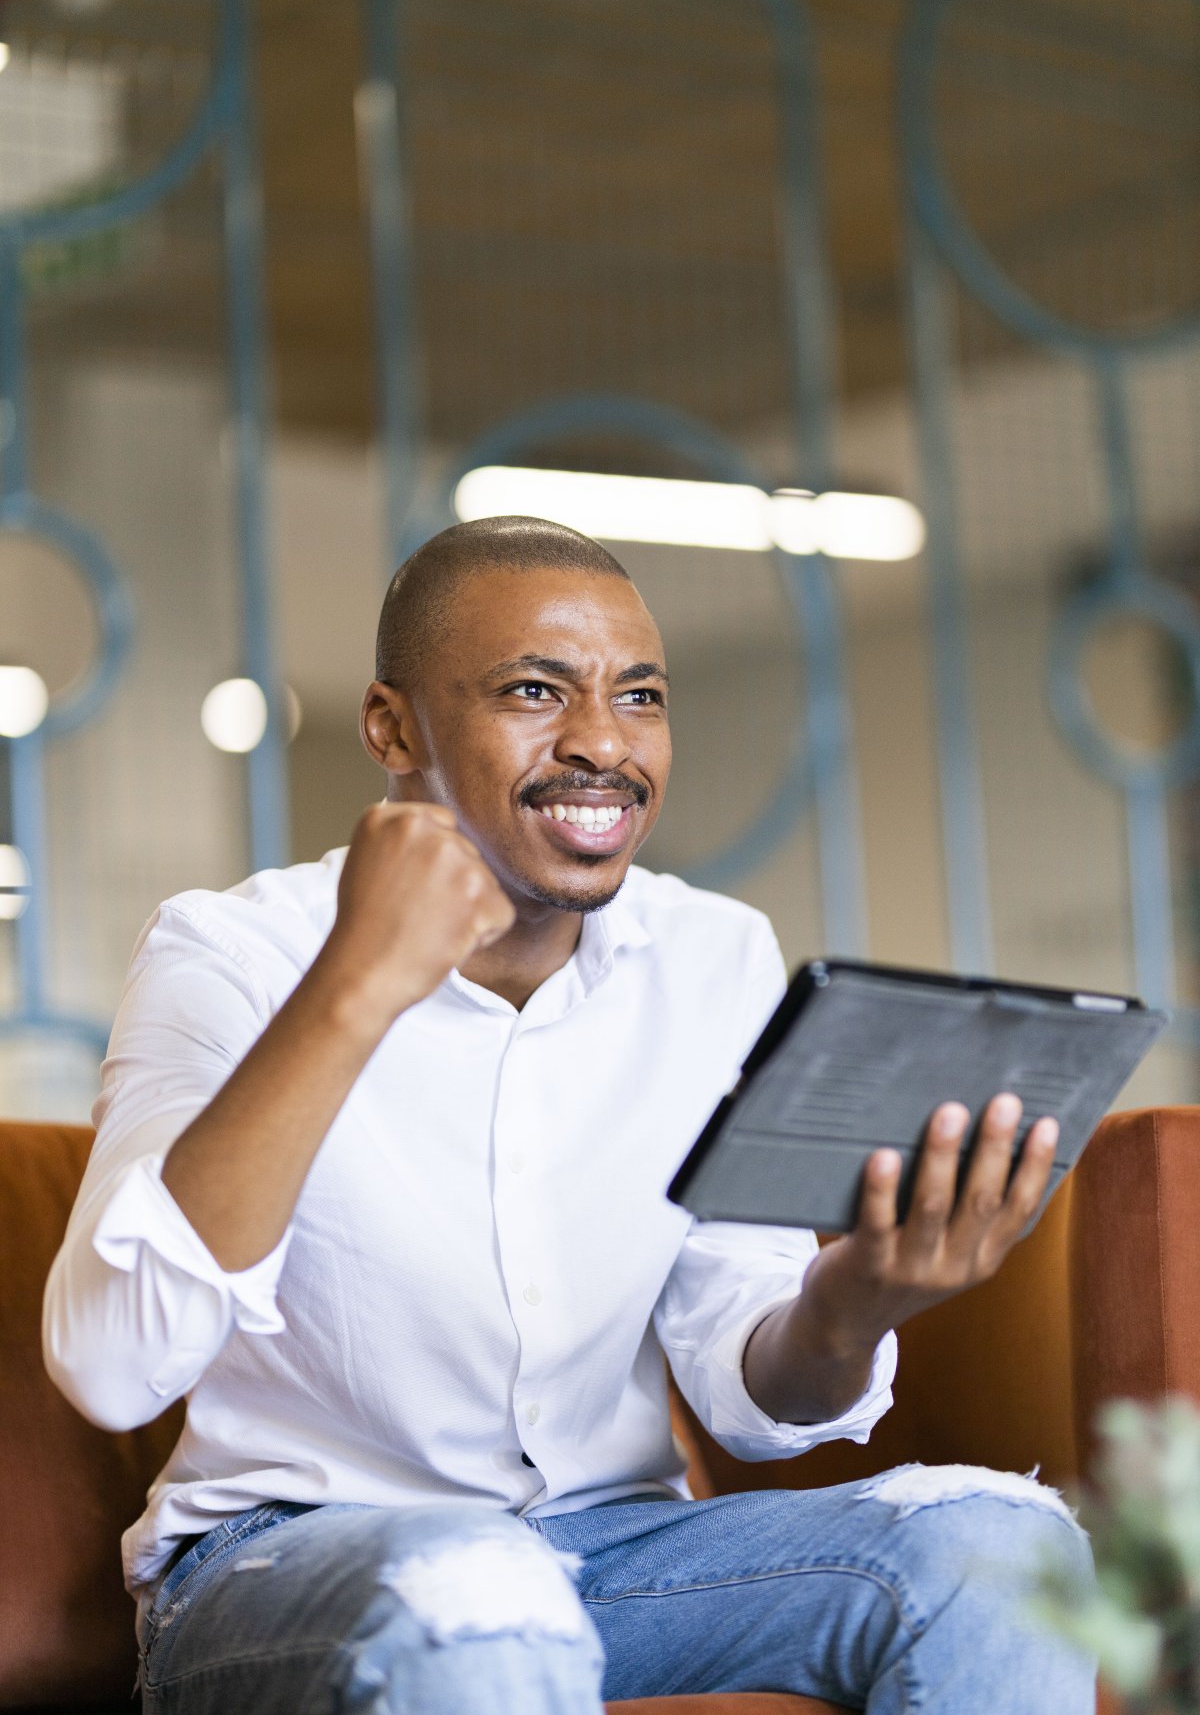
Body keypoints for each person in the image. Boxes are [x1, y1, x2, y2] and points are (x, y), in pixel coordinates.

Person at [44, 516, 1093, 1715]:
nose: (600, 742)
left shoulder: (713, 956)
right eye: (535, 691)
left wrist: (853, 1304)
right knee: (478, 1593)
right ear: (392, 728)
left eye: (638, 695)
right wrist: (355, 984)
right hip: (288, 1566)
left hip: (622, 1556)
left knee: (1002, 1547)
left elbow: (753, 1390)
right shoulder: (231, 952)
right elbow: (113, 1366)